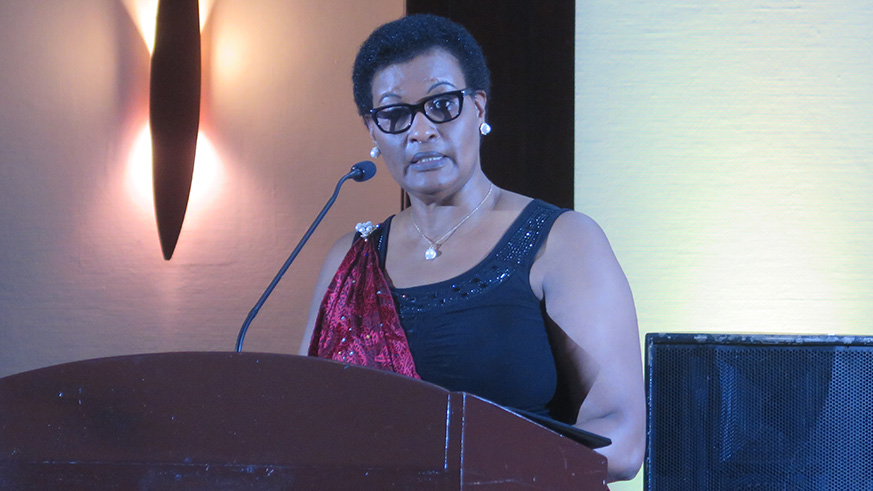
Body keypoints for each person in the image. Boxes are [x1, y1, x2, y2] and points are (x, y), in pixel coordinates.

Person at [299, 14, 645, 482]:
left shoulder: (563, 240)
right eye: (395, 115)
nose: (421, 131)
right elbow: (302, 420)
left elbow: (621, 438)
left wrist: (471, 462)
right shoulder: (351, 260)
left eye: (442, 105)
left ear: (478, 109)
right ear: (373, 131)